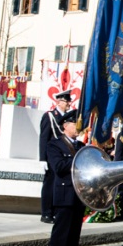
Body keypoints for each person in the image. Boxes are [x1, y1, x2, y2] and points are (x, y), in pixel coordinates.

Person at [45, 110, 86, 246]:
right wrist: (78, 159)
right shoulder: (54, 144)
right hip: (64, 192)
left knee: (74, 233)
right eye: (74, 124)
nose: (78, 127)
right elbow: (59, 167)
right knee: (61, 233)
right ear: (65, 126)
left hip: (79, 194)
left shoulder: (81, 147)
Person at [39, 90, 71, 224]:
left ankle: (57, 211)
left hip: (62, 157)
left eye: (69, 101)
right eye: (66, 101)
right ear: (59, 101)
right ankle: (46, 213)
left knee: (60, 185)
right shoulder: (50, 116)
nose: (69, 104)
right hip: (52, 156)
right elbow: (44, 138)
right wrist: (42, 158)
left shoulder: (69, 118)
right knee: (49, 185)